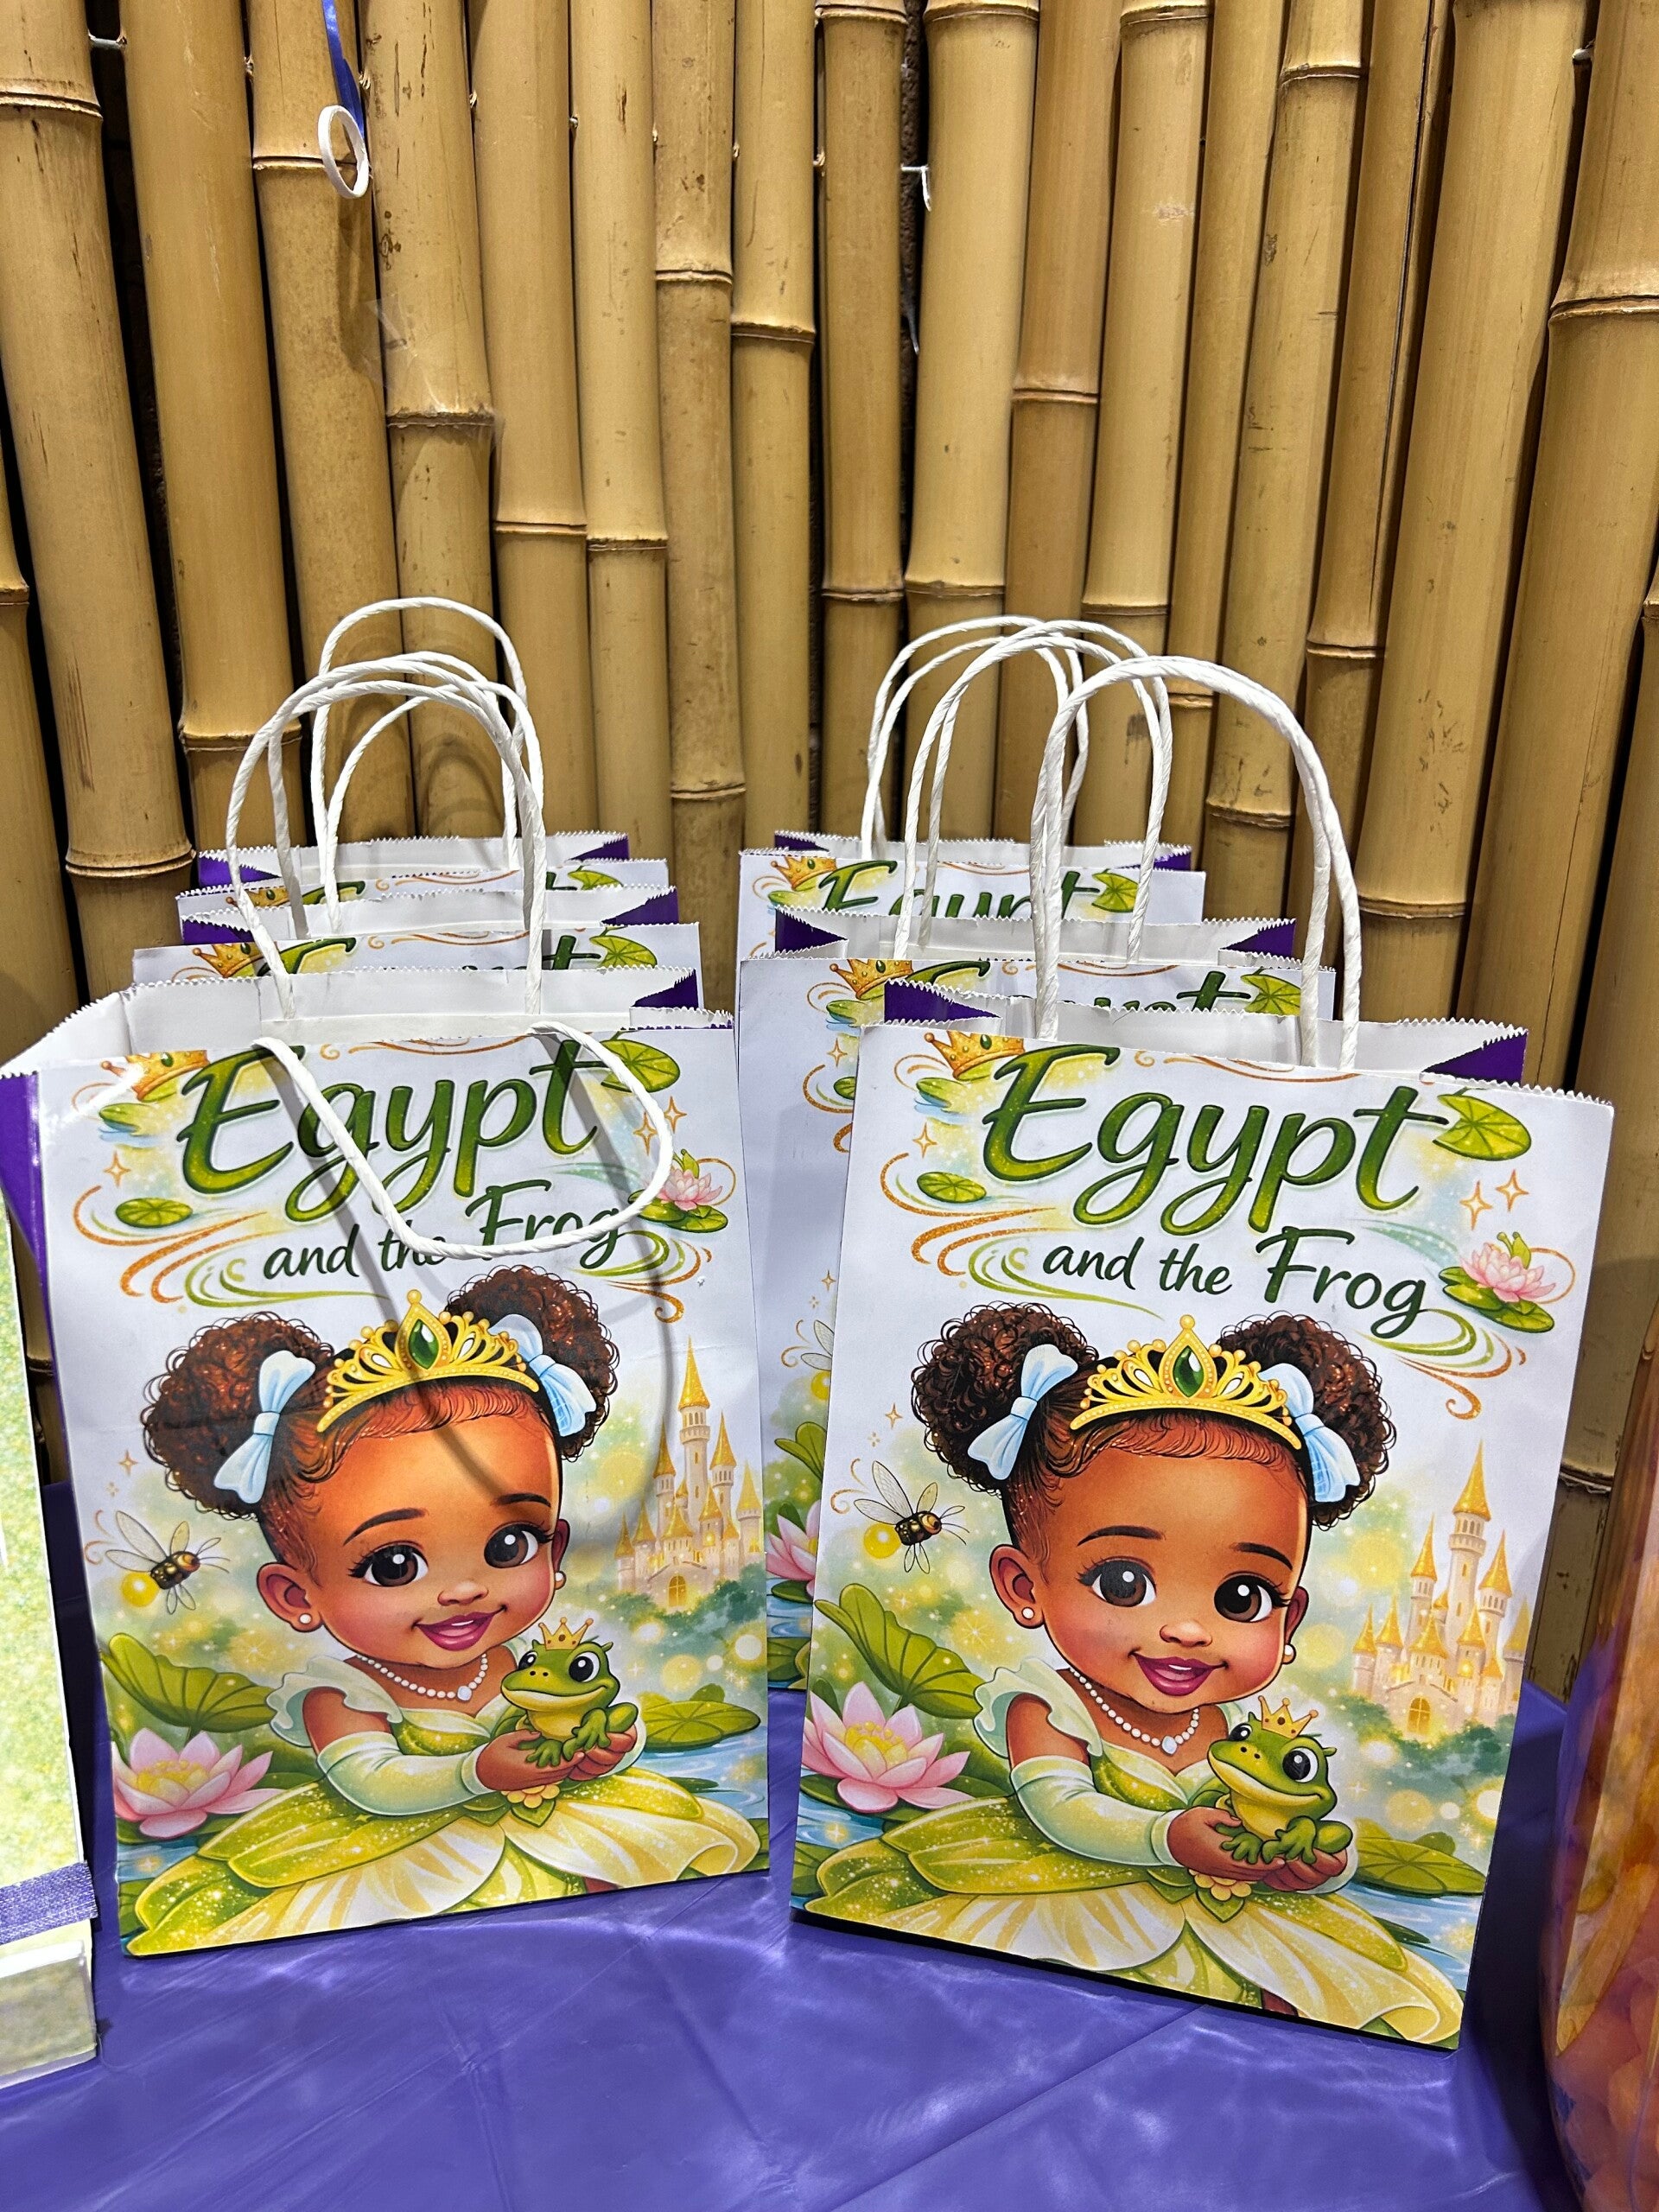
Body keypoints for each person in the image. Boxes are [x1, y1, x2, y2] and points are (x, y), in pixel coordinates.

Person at [871, 1302, 1462, 2039]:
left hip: (1222, 1937)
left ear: (1289, 1621)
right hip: (1073, 1906)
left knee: (1308, 1999)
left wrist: (1313, 1863)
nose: (1186, 1629)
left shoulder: (1242, 1731)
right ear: (1025, 1587)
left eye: (1242, 1597)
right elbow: (1064, 1809)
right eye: (1122, 1583)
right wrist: (1167, 1838)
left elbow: (1292, 1817)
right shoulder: (1049, 1706)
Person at [125, 1270, 756, 1951]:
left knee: (629, 1870)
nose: (463, 1591)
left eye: (509, 1545)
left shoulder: (524, 1663)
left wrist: (604, 1751)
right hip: (405, 1850)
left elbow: (578, 1719)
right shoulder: (342, 1695)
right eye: (393, 1565)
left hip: (547, 1836)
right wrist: (475, 1772)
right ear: (295, 1597)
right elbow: (373, 1782)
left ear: (555, 1548)